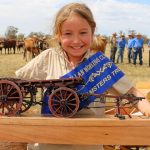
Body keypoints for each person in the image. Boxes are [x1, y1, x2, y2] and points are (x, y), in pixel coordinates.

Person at [15, 3, 150, 150]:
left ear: (92, 32)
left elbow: (132, 94)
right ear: (58, 35)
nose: (76, 41)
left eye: (83, 33)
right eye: (68, 33)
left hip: (88, 145)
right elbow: (18, 87)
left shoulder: (101, 65)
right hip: (47, 144)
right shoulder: (48, 57)